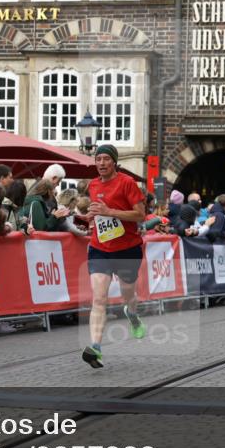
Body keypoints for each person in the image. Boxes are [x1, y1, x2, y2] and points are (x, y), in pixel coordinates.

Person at [79, 144, 147, 369]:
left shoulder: (127, 183)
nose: (101, 163)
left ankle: (133, 314)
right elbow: (98, 211)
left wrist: (110, 212)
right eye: (98, 159)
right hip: (100, 248)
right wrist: (91, 215)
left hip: (127, 248)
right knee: (99, 298)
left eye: (106, 159)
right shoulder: (93, 185)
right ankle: (95, 348)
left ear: (114, 162)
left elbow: (140, 215)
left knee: (128, 295)